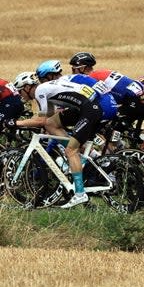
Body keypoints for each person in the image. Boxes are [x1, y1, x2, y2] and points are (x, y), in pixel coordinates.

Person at [12, 63, 117, 208]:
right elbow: (46, 120)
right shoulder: (46, 90)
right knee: (51, 124)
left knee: (70, 150)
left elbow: (40, 120)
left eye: (20, 91)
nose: (21, 96)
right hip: (84, 107)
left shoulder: (40, 90)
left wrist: (15, 123)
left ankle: (80, 193)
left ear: (27, 87)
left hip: (89, 109)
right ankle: (77, 155)